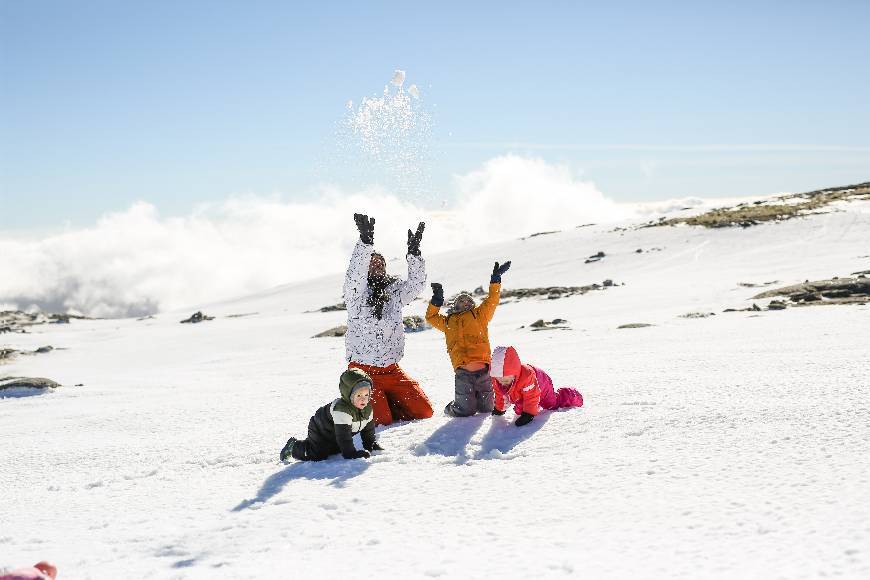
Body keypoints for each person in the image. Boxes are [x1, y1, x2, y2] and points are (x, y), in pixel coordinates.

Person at [343, 213, 434, 425]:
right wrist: (365, 243)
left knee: (424, 411)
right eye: (372, 263)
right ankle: (355, 403)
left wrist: (414, 255)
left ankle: (381, 401)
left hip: (392, 369)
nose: (377, 266)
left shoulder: (394, 293)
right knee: (382, 421)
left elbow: (415, 285)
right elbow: (354, 275)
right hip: (363, 371)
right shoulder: (356, 295)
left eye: (381, 264)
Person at [425, 261, 511, 417]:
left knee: (487, 408)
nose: (465, 302)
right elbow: (431, 317)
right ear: (455, 305)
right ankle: (452, 406)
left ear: (473, 304)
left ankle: (473, 399)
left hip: (484, 372)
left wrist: (495, 279)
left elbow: (492, 299)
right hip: (463, 373)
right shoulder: (447, 321)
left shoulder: (480, 315)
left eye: (468, 301)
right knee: (465, 411)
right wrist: (437, 299)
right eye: (461, 301)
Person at [280, 368, 381, 461]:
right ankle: (294, 447)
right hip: (320, 430)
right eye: (358, 395)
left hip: (335, 433)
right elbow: (343, 436)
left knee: (334, 450)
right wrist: (351, 454)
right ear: (348, 394)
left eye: (366, 395)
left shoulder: (367, 409)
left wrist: (371, 445)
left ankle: (317, 445)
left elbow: (368, 430)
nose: (363, 399)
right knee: (318, 454)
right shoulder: (342, 410)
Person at [489, 345, 584, 426]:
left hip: (542, 384)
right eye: (499, 379)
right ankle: (530, 407)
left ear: (515, 373)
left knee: (551, 405)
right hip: (522, 392)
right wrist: (499, 408)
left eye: (505, 379)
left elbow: (531, 396)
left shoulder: (526, 376)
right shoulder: (497, 379)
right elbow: (500, 394)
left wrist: (528, 414)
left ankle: (571, 394)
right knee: (519, 409)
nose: (502, 382)